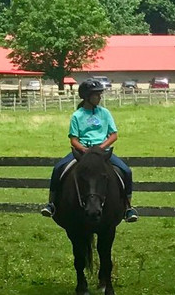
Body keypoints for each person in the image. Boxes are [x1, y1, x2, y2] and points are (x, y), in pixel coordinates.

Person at [41, 79, 138, 222]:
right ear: (87, 96)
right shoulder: (77, 115)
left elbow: (114, 135)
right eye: (96, 95)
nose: (99, 97)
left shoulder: (105, 113)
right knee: (58, 168)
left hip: (102, 152)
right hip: (82, 152)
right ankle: (52, 204)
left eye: (100, 95)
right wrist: (84, 150)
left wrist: (100, 148)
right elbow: (73, 139)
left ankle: (128, 207)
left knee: (126, 171)